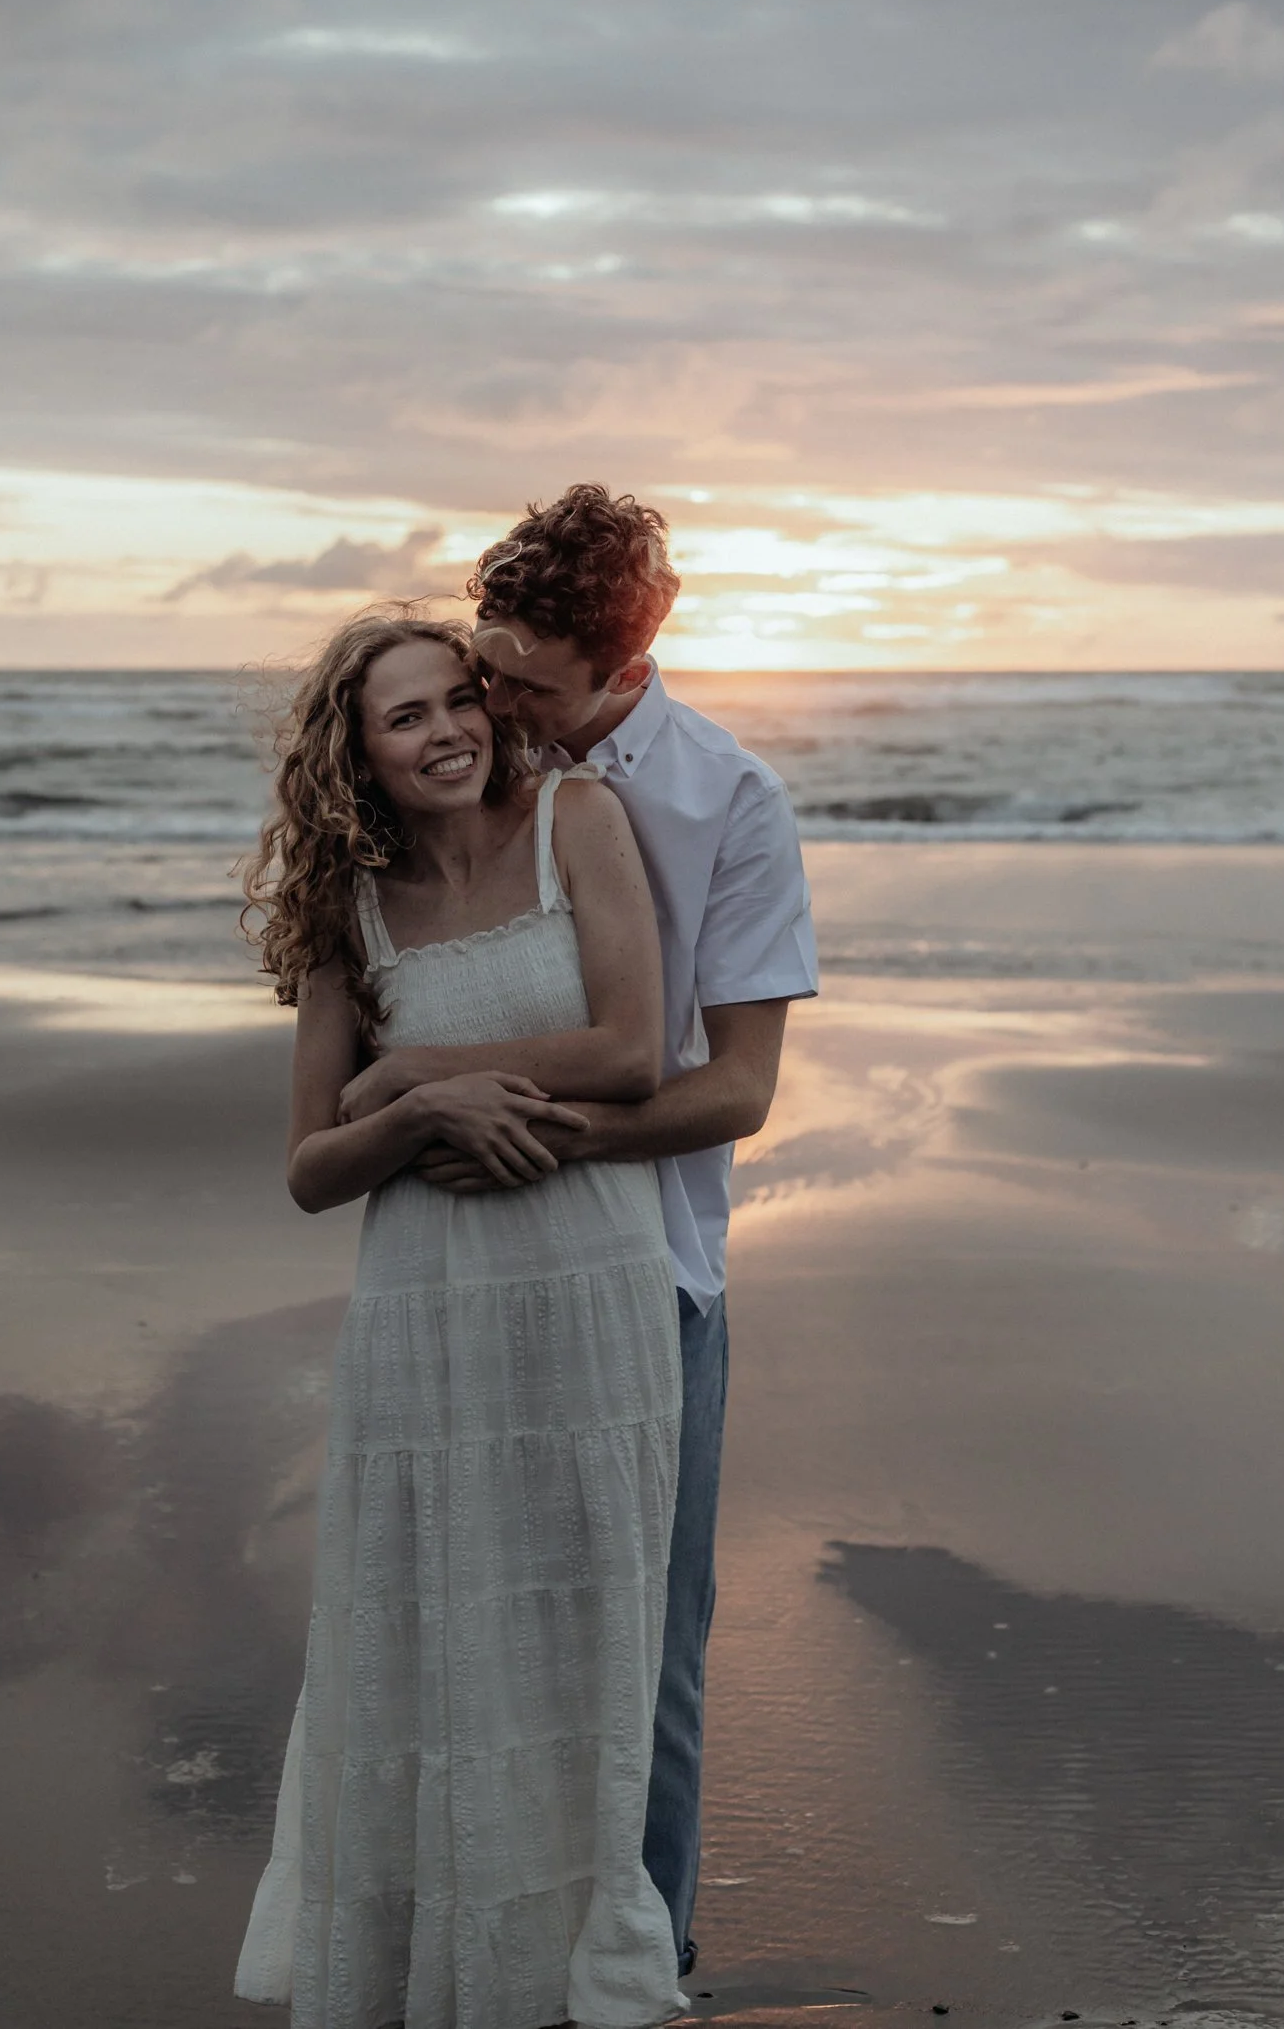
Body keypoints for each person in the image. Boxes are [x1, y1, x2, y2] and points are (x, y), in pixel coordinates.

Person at [358, 486, 820, 1981]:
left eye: (532, 687)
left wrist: (520, 1135)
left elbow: (734, 1087)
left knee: (645, 1656)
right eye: (485, 670)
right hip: (459, 1276)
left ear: (625, 669)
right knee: (470, 1633)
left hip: (652, 1274)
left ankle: (641, 1972)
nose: (497, 709)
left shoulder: (723, 801)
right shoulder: (459, 772)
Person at [234, 610, 686, 2029]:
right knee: (426, 1624)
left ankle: (570, 1961)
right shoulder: (344, 915)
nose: (447, 733)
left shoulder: (577, 817)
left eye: (455, 702)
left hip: (593, 1284)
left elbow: (627, 1047)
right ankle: (432, 1961)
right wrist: (417, 1109)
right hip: (427, 1306)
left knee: (587, 1620)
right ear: (353, 756)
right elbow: (312, 1170)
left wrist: (418, 1063)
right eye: (404, 718)